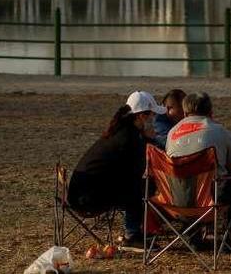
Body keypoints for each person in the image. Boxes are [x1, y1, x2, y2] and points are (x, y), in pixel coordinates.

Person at [67, 91, 166, 247]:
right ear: (141, 116)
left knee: (137, 183)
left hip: (79, 194)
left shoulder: (121, 130)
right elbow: (138, 171)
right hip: (88, 200)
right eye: (152, 115)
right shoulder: (129, 138)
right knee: (143, 184)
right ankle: (133, 235)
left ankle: (137, 230)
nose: (153, 119)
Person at [166, 92, 231, 248]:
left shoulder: (172, 132)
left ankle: (193, 235)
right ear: (210, 112)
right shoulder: (220, 131)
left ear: (185, 113)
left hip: (175, 201)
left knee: (191, 183)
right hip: (209, 203)